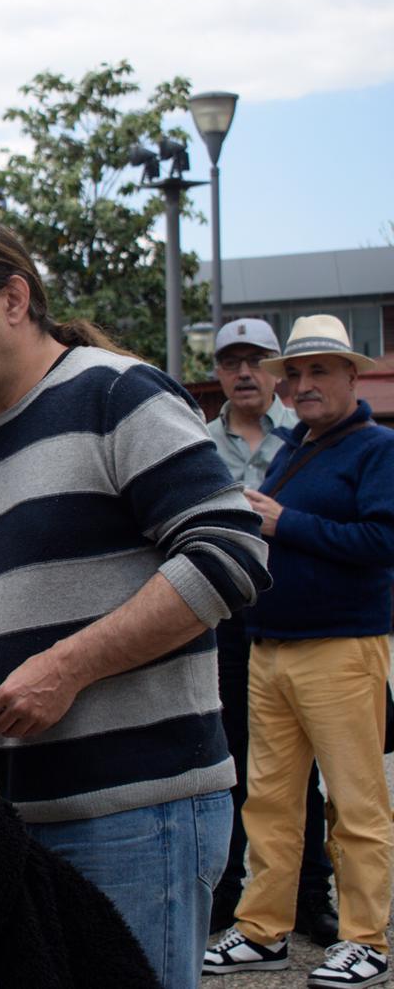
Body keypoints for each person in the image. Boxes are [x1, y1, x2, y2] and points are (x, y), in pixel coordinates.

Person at [0, 218, 269, 989]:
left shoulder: (115, 392)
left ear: (13, 298)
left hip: (138, 812)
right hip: (23, 824)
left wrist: (66, 667)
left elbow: (232, 552)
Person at [204, 315, 394, 987]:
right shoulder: (297, 448)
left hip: (340, 646)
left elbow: (382, 544)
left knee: (355, 802)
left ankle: (367, 938)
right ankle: (264, 928)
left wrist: (287, 522)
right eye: (299, 373)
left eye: (321, 371)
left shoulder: (376, 449)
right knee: (271, 801)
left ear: (352, 374)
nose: (305, 384)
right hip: (268, 645)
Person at [203, 317, 335, 943]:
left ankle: (311, 896)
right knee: (231, 760)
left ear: (276, 371)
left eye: (258, 360)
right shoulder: (194, 443)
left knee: (299, 770)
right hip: (224, 627)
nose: (245, 372)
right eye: (233, 361)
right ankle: (229, 896)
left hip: (298, 624)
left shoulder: (308, 439)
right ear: (220, 372)